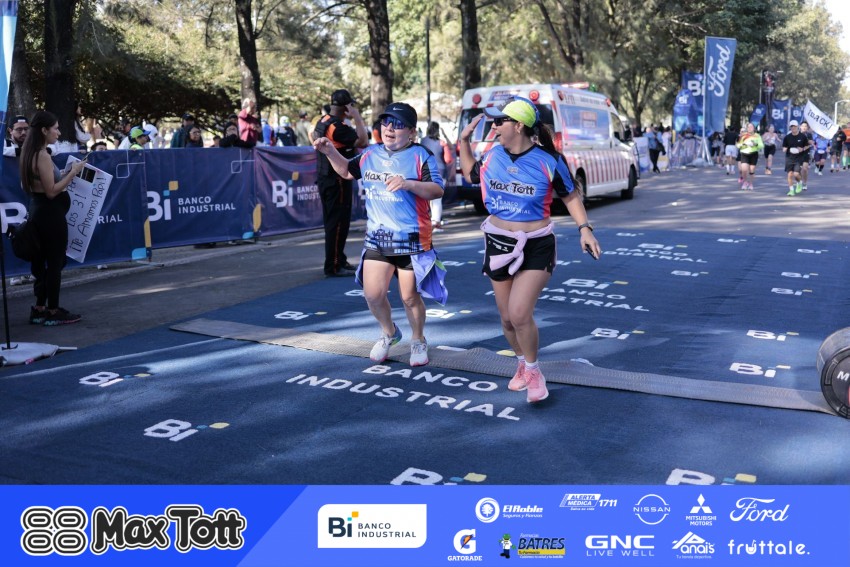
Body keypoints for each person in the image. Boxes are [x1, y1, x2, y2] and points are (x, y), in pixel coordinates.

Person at [458, 97, 601, 403]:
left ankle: (534, 372)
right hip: (498, 242)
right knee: (507, 319)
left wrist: (584, 229)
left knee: (520, 313)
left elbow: (570, 195)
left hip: (536, 245)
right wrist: (464, 142)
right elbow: (470, 174)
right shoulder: (492, 155)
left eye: (500, 121)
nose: (495, 127)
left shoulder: (549, 160)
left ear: (519, 125)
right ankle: (522, 363)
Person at [313, 101, 445, 367]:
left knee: (409, 297)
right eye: (386, 123)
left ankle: (418, 339)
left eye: (397, 124)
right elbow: (346, 171)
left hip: (411, 239)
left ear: (411, 131)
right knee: (373, 295)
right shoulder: (370, 153)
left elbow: (437, 190)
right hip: (378, 239)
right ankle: (389, 333)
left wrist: (408, 184)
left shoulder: (421, 155)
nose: (389, 129)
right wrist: (329, 152)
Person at [18, 110, 87, 325]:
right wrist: (73, 172)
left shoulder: (28, 152)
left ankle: (40, 308)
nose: (58, 132)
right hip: (50, 214)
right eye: (55, 128)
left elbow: (31, 185)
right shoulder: (42, 155)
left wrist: (62, 174)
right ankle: (53, 311)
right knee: (55, 262)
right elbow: (51, 191)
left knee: (42, 262)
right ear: (44, 130)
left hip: (38, 211)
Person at [312, 89, 368, 277]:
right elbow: (363, 141)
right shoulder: (338, 127)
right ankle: (334, 265)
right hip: (336, 179)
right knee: (337, 222)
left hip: (326, 177)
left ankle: (339, 259)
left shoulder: (323, 120)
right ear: (346, 107)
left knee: (336, 221)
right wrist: (357, 116)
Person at [419, 121, 447, 232]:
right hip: (440, 171)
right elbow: (448, 158)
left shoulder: (423, 141)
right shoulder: (441, 142)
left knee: (430, 199)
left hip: (426, 171)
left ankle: (432, 220)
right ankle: (436, 222)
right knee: (437, 199)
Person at [782, 120, 808, 196]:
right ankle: (791, 190)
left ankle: (799, 182)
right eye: (792, 126)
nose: (793, 128)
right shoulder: (787, 137)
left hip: (799, 157)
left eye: (795, 126)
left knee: (796, 174)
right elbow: (784, 147)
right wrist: (785, 149)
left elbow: (807, 146)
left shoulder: (802, 136)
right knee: (790, 174)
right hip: (789, 157)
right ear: (790, 127)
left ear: (798, 127)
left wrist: (802, 149)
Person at [735, 123, 763, 190]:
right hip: (744, 153)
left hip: (753, 154)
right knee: (744, 170)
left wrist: (755, 144)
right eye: (748, 127)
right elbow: (738, 145)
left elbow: (761, 145)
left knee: (751, 170)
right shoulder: (743, 135)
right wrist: (744, 145)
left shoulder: (757, 136)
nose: (750, 128)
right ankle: (745, 182)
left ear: (754, 128)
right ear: (747, 128)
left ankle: (750, 183)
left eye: (751, 127)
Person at [799, 122, 813, 191]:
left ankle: (804, 183)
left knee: (805, 169)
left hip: (806, 153)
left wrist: (805, 138)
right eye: (803, 126)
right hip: (797, 153)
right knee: (798, 169)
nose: (804, 127)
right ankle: (799, 182)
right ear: (800, 127)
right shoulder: (797, 134)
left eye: (805, 126)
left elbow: (811, 143)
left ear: (807, 128)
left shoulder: (809, 134)